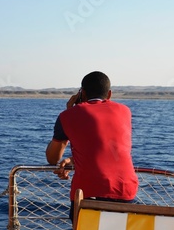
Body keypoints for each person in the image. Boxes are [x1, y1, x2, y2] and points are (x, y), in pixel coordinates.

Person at [46, 71, 138, 220]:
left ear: (82, 93)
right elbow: (103, 146)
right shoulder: (125, 111)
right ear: (109, 94)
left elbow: (52, 158)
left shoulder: (68, 115)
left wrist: (70, 112)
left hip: (88, 192)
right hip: (125, 190)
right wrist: (73, 159)